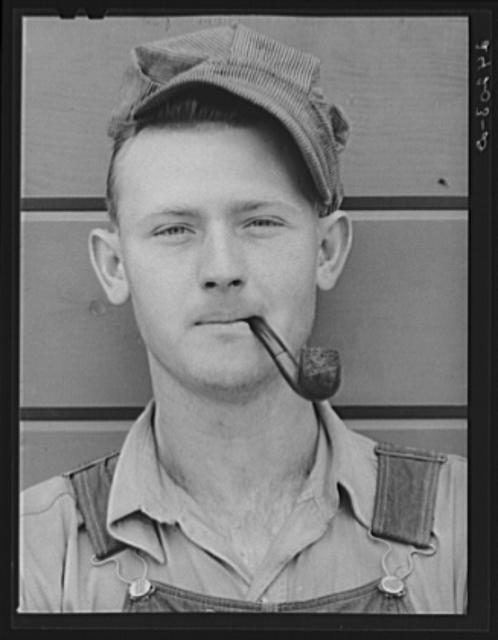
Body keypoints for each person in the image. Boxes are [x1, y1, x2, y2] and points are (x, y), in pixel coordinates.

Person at [19, 24, 467, 614]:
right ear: (113, 266)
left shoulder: (464, 527)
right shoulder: (37, 554)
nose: (222, 269)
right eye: (175, 229)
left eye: (260, 222)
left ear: (326, 251)